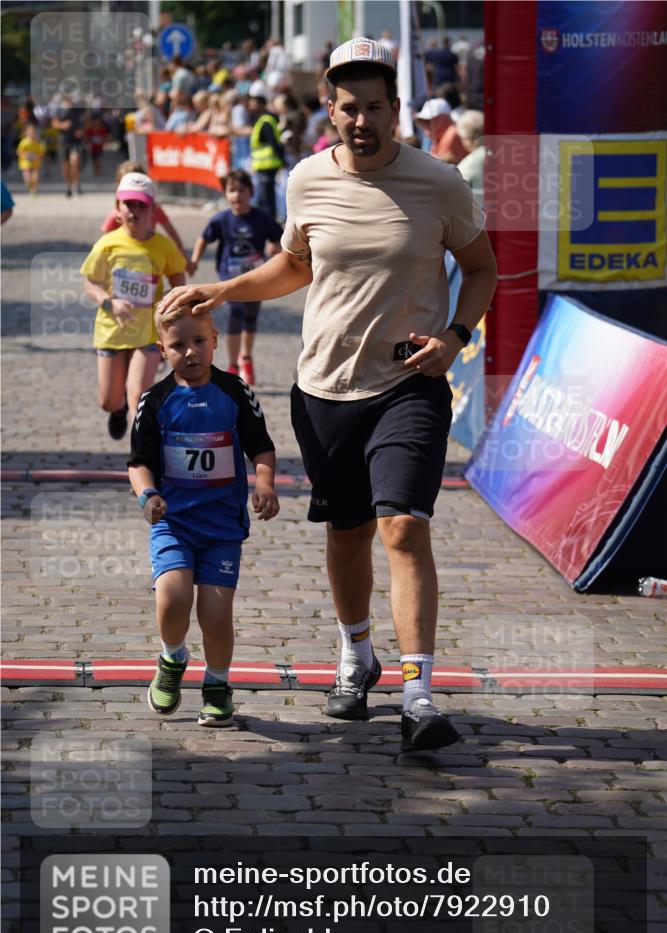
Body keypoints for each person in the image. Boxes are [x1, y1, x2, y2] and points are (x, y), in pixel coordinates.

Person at [158, 37, 497, 753]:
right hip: (322, 388)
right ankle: (356, 653)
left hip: (409, 383)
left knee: (402, 526)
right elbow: (294, 264)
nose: (362, 119)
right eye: (349, 108)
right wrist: (221, 289)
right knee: (347, 537)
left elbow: (480, 267)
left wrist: (456, 335)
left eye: (375, 106)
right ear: (329, 110)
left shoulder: (439, 182)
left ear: (395, 109)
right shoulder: (306, 179)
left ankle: (419, 694)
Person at [127, 303, 279, 727]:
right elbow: (138, 462)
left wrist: (264, 482)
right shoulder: (155, 401)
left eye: (199, 341)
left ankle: (217, 684)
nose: (190, 352)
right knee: (173, 599)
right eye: (178, 345)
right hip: (173, 523)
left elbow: (261, 448)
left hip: (222, 528)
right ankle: (173, 658)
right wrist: (148, 495)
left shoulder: (235, 393)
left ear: (215, 341)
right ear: (162, 350)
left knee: (215, 616)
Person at [81, 172, 187, 439]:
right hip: (112, 329)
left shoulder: (164, 246)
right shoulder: (107, 244)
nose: (135, 211)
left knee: (138, 396)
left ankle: (141, 455)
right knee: (108, 400)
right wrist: (109, 302)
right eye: (129, 204)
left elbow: (178, 281)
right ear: (118, 208)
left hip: (148, 331)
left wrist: (172, 308)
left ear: (153, 209)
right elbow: (90, 283)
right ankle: (117, 411)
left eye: (141, 205)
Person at [189, 169, 282, 384]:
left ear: (251, 192)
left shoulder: (261, 219)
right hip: (228, 280)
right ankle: (232, 365)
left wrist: (275, 247)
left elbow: (280, 238)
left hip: (254, 278)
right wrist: (194, 260)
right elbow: (204, 238)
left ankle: (246, 358)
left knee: (250, 318)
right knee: (234, 316)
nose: (236, 195)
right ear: (226, 194)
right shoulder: (222, 219)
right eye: (231, 191)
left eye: (241, 190)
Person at [100, 161, 194, 275]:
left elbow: (171, 232)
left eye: (141, 205)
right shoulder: (117, 214)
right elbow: (104, 241)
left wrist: (184, 258)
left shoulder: (154, 209)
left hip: (148, 256)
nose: (135, 209)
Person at [248, 81, 285, 218]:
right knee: (264, 198)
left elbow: (273, 143)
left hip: (268, 165)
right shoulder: (261, 120)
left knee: (266, 199)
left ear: (262, 105)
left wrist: (281, 160)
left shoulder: (266, 121)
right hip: (263, 165)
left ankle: (270, 225)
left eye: (255, 103)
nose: (251, 105)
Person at [416, 97, 467, 164]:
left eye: (429, 120)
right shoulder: (438, 137)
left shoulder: (452, 133)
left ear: (444, 118)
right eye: (424, 121)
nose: (426, 125)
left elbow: (437, 167)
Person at [52, 97, 85, 197]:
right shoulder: (59, 109)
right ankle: (68, 186)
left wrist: (82, 131)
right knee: (65, 166)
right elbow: (54, 123)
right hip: (63, 141)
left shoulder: (78, 109)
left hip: (76, 141)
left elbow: (86, 121)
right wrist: (63, 125)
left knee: (74, 161)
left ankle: (76, 183)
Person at [17, 122, 45, 196]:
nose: (32, 134)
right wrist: (26, 155)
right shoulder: (24, 142)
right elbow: (19, 152)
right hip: (25, 162)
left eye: (33, 132)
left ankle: (34, 191)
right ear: (26, 133)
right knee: (28, 178)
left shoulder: (38, 143)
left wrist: (37, 157)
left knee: (35, 177)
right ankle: (29, 186)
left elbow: (41, 153)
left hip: (35, 163)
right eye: (30, 132)